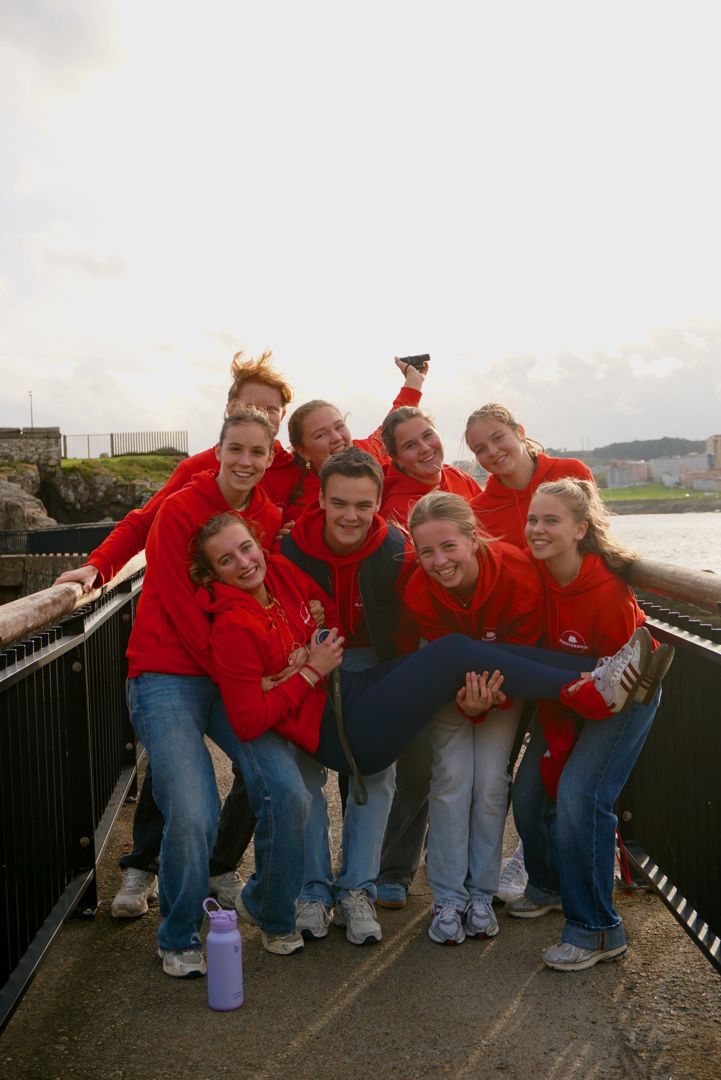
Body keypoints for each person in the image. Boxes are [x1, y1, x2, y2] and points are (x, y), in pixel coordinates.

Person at [189, 510, 656, 966]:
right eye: (227, 560)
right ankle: (593, 680)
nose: (244, 562)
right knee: (451, 652)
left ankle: (600, 671)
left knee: (461, 653)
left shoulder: (279, 574)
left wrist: (317, 638)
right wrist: (309, 671)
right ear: (212, 574)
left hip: (347, 690)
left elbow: (325, 612)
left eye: (246, 547)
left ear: (258, 542)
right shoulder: (233, 626)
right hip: (341, 731)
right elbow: (247, 721)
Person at [53, 350, 296, 917]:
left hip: (230, 661)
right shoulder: (196, 478)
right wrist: (98, 565)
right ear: (229, 412)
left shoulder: (279, 490)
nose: (249, 451)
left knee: (272, 783)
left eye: (270, 413)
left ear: (278, 428)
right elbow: (146, 525)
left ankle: (223, 873)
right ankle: (148, 871)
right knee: (184, 791)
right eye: (249, 408)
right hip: (178, 662)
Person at [125, 407, 311, 978]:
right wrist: (250, 678)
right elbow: (181, 607)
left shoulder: (267, 514)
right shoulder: (179, 508)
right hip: (167, 673)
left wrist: (293, 643)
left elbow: (260, 594)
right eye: (236, 449)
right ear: (219, 449)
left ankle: (271, 910)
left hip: (233, 674)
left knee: (288, 792)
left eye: (258, 451)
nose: (246, 461)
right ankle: (179, 935)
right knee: (193, 808)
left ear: (272, 455)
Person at [509, 478, 674, 971]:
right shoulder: (534, 574)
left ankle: (597, 929)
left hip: (625, 697)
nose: (537, 529)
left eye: (551, 520)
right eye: (533, 519)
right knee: (528, 792)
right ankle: (550, 886)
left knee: (582, 796)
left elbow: (620, 682)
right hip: (567, 695)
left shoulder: (607, 593)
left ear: (580, 529)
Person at [280, 448, 416, 945]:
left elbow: (413, 618)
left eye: (363, 505)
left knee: (376, 774)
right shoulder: (290, 548)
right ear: (320, 498)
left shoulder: (396, 548)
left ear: (379, 502)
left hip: (372, 661)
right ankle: (312, 889)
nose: (350, 516)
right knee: (303, 774)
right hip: (306, 659)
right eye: (339, 503)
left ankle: (357, 887)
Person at [464, 402, 595, 902]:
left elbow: (597, 543)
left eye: (498, 438)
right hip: (524, 646)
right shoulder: (481, 508)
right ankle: (511, 865)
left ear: (519, 431)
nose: (492, 452)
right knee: (511, 766)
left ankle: (550, 864)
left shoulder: (569, 473)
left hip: (577, 636)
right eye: (479, 449)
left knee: (566, 759)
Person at [403, 491, 541, 944]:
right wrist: (466, 703)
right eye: (426, 551)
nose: (439, 562)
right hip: (451, 689)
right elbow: (442, 662)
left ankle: (481, 893)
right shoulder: (419, 590)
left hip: (506, 682)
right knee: (452, 779)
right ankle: (447, 896)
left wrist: (490, 700)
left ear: (473, 539)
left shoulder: (516, 572)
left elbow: (524, 653)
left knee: (491, 782)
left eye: (449, 546)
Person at [374, 406, 481, 909]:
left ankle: (458, 874)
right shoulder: (395, 502)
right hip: (416, 643)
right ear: (395, 458)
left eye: (428, 436)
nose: (425, 449)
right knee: (417, 764)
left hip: (472, 634)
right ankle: (393, 870)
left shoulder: (461, 481)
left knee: (468, 769)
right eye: (410, 445)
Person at [283, 357, 427, 524]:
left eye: (339, 427)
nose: (336, 438)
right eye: (321, 435)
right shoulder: (303, 505)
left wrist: (414, 380)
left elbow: (395, 423)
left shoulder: (368, 452)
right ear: (303, 451)